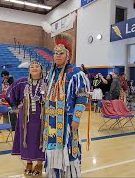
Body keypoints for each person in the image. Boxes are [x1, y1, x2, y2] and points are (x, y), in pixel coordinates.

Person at [43, 33, 90, 177]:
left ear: (67, 55)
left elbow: (82, 97)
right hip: (51, 120)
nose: (57, 55)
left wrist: (76, 118)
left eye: (61, 53)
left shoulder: (75, 72)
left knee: (69, 148)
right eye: (55, 53)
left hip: (68, 119)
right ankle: (55, 173)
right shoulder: (50, 73)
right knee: (53, 149)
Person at [5, 60, 45, 176]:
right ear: (29, 70)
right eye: (32, 67)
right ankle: (28, 162)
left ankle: (39, 163)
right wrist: (15, 106)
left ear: (41, 69)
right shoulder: (21, 82)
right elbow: (8, 93)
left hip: (42, 118)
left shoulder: (46, 82)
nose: (34, 68)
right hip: (25, 118)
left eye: (37, 66)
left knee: (40, 138)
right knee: (26, 138)